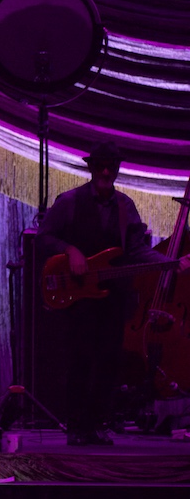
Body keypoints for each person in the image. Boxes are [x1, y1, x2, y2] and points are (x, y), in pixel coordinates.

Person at [37, 141, 190, 446]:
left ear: (117, 169)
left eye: (111, 166)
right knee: (80, 360)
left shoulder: (125, 207)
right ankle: (77, 427)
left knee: (108, 361)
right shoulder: (69, 202)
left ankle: (97, 424)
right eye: (101, 166)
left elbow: (137, 251)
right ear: (92, 168)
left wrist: (172, 264)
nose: (106, 171)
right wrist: (71, 251)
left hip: (112, 297)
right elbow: (44, 236)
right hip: (79, 297)